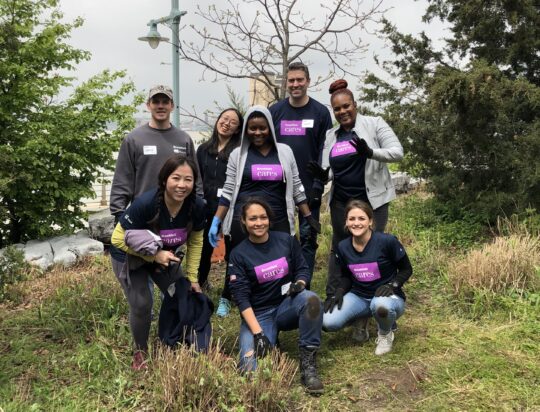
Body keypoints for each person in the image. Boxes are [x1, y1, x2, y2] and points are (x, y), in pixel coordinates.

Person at [308, 79, 403, 340]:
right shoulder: (332, 135)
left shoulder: (374, 124)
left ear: (355, 105)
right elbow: (330, 172)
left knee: (369, 253)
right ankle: (335, 299)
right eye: (337, 109)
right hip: (342, 204)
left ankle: (368, 316)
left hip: (372, 202)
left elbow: (397, 152)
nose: (342, 112)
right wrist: (322, 176)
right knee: (340, 252)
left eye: (346, 106)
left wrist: (370, 152)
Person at [208, 105, 320, 317]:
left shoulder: (285, 152)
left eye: (262, 128)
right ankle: (227, 295)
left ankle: (285, 296)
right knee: (237, 258)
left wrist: (307, 216)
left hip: (277, 216)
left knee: (282, 259)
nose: (257, 133)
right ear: (245, 130)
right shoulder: (237, 154)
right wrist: (217, 220)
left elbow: (296, 185)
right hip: (244, 217)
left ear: (270, 128)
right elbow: (229, 189)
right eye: (252, 129)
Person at [110, 155, 207, 370]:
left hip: (164, 254)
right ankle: (140, 351)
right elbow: (117, 239)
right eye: (176, 178)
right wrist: (154, 256)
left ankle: (175, 341)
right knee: (142, 303)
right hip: (130, 255)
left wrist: (192, 277)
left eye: (188, 179)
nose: (182, 185)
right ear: (164, 179)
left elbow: (196, 240)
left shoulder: (196, 206)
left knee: (181, 293)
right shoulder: (147, 203)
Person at [228, 198, 324, 394]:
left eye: (263, 217)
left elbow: (302, 269)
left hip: (286, 305)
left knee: (311, 299)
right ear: (244, 222)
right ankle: (270, 340)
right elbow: (241, 298)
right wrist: (258, 334)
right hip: (259, 315)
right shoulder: (238, 254)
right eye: (253, 218)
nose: (259, 223)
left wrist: (300, 285)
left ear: (269, 220)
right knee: (249, 371)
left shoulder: (286, 241)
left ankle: (308, 365)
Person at [322, 200, 412, 355]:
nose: (356, 223)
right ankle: (362, 318)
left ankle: (385, 332)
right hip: (359, 296)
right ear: (346, 222)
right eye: (352, 219)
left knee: (381, 306)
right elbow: (347, 276)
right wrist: (339, 291)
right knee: (328, 321)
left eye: (361, 218)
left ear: (370, 221)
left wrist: (393, 285)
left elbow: (406, 269)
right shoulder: (343, 246)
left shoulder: (387, 241)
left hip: (387, 296)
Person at [269, 62, 333, 276]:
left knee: (307, 236)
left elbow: (325, 150)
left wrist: (318, 186)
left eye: (300, 80)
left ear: (308, 81)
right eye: (291, 80)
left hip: (309, 187)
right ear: (286, 82)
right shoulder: (275, 111)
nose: (295, 84)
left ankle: (303, 281)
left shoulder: (321, 113)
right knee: (279, 236)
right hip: (278, 187)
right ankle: (281, 280)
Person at [110, 84, 202, 222]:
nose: (161, 106)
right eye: (156, 102)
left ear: (172, 106)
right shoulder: (133, 139)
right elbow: (122, 178)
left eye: (165, 102)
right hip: (143, 215)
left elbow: (195, 179)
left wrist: (199, 205)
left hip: (178, 214)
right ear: (148, 105)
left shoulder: (184, 139)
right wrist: (118, 212)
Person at [196, 108, 244, 289]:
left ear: (238, 129)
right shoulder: (203, 149)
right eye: (224, 118)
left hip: (230, 206)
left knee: (232, 250)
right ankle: (200, 282)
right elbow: (197, 177)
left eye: (232, 122)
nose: (226, 123)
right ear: (218, 120)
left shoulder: (238, 153)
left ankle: (229, 290)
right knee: (204, 248)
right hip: (207, 205)